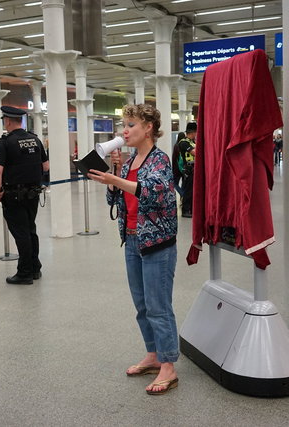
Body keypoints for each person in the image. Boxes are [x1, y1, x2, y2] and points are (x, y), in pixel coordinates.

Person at [88, 104, 179, 396]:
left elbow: (156, 195)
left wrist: (116, 180)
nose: (124, 131)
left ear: (148, 128)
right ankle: (153, 354)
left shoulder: (159, 160)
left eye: (130, 125)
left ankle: (169, 365)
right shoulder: (129, 162)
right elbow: (114, 201)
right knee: (142, 306)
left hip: (157, 244)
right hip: (132, 238)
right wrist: (113, 178)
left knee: (158, 306)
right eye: (123, 125)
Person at [0, 106, 49, 285]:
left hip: (13, 195)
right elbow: (46, 166)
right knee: (31, 230)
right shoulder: (35, 139)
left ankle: (24, 273)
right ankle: (35, 268)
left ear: (7, 120)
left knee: (21, 233)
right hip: (33, 194)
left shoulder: (5, 142)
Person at [173, 122, 197, 218]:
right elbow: (194, 152)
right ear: (193, 132)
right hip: (188, 169)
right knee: (188, 191)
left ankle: (191, 209)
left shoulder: (193, 142)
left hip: (194, 168)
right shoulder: (184, 142)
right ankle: (185, 210)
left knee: (193, 191)